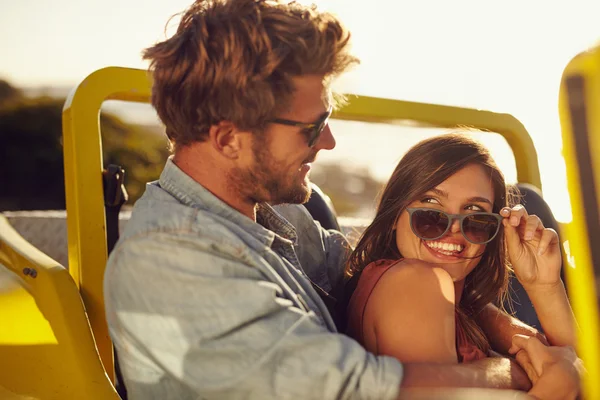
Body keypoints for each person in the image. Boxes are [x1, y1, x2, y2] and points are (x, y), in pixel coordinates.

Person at [103, 0, 583, 399]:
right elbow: (351, 387)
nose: (328, 141)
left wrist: (514, 331)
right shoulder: (168, 259)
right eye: (312, 127)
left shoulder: (271, 216)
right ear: (229, 139)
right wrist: (523, 372)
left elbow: (370, 259)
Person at [345, 134, 582, 398]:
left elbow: (576, 370)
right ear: (394, 214)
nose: (454, 229)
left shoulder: (465, 306)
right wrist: (541, 388)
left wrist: (543, 285)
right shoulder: (416, 280)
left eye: (474, 214)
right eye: (431, 208)